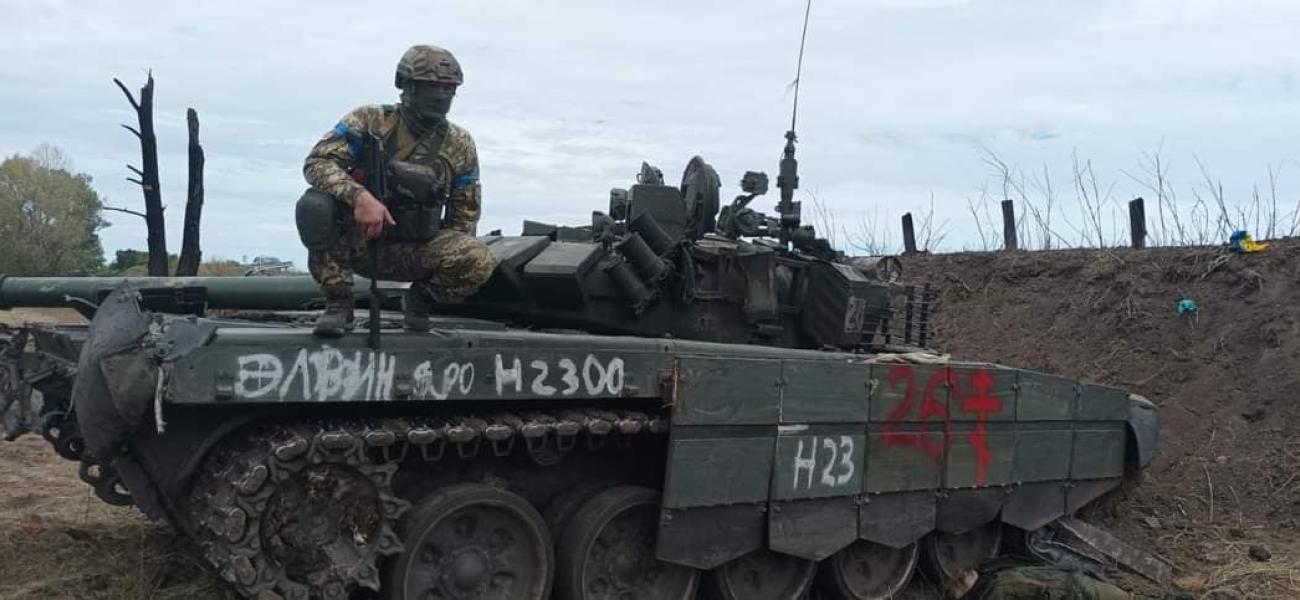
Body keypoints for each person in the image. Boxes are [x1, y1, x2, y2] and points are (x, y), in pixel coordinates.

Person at [296, 44, 496, 336]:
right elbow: (317, 163)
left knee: (477, 258)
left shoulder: (459, 144)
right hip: (358, 242)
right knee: (316, 205)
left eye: (448, 88)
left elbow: (464, 217)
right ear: (409, 86)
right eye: (432, 86)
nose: (441, 95)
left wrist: (444, 268)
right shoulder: (370, 121)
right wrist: (360, 197)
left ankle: (419, 300)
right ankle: (339, 302)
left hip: (413, 248)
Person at [945, 560, 1194, 600]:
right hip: (1079, 592)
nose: (961, 575)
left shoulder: (993, 576)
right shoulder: (994, 590)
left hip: (1076, 585)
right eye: (960, 583)